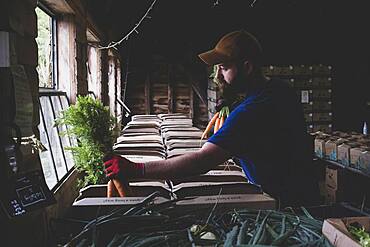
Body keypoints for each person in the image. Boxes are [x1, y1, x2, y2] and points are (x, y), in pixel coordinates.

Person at [104, 30, 319, 207]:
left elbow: (201, 161)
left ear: (247, 67)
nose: (218, 76)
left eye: (224, 68)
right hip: (304, 191)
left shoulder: (249, 112)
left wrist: (136, 169)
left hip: (282, 203)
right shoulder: (280, 90)